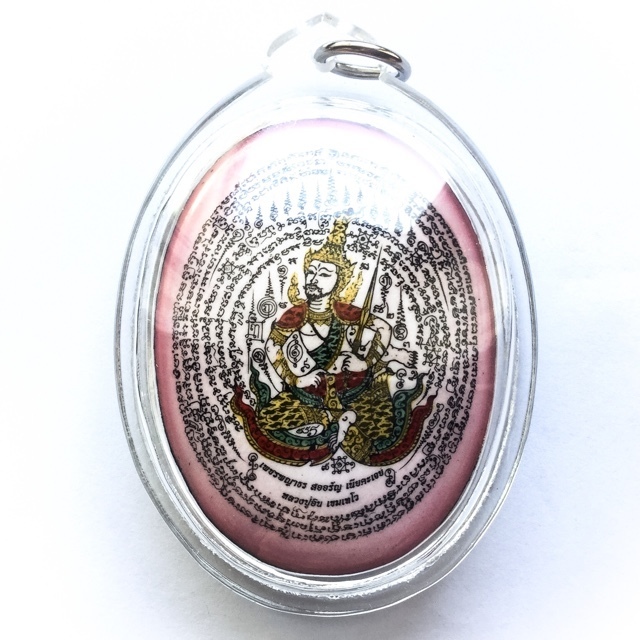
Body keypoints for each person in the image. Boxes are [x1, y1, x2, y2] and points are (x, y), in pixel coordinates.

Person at [233, 217, 429, 467]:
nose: (314, 279)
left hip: (354, 392)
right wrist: (295, 379)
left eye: (324, 274)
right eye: (311, 272)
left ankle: (338, 420)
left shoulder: (345, 311)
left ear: (339, 281)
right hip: (311, 397)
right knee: (268, 421)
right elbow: (272, 347)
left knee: (382, 436)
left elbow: (383, 327)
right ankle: (335, 420)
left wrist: (366, 362)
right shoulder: (296, 314)